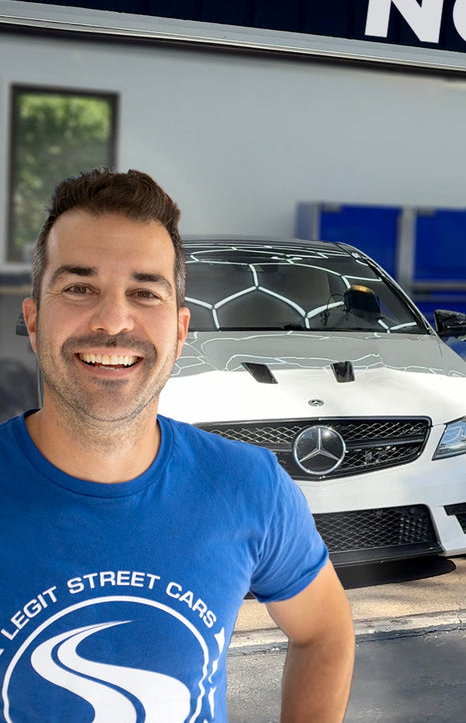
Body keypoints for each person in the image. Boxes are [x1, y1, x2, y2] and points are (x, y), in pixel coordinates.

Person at [0, 169, 354, 721]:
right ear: (34, 317)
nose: (114, 321)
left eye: (145, 292)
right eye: (79, 288)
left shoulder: (249, 487)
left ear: (181, 329)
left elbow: (325, 632)